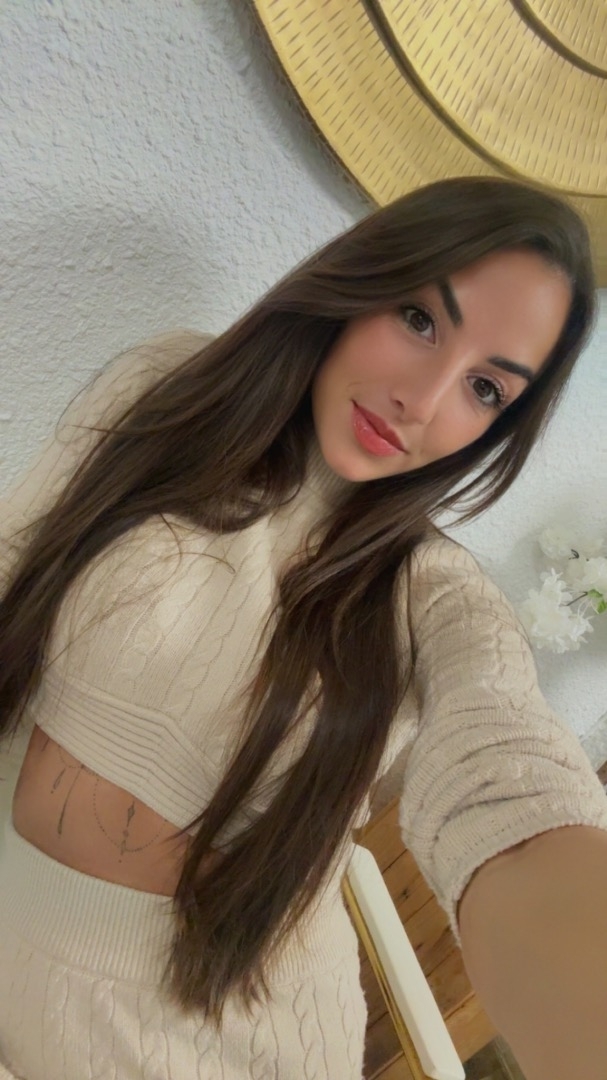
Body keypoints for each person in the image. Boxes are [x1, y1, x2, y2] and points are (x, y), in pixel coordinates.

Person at [0, 176, 606, 1080]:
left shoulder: (429, 594)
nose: (421, 398)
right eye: (419, 319)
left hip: (201, 1044)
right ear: (359, 281)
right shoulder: (165, 392)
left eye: (484, 387)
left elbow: (508, 794)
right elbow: (15, 573)